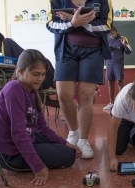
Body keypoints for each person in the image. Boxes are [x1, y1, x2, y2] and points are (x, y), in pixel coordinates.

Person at [0, 49, 81, 186]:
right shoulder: (14, 89)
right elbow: (18, 133)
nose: (41, 78)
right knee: (69, 157)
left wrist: (66, 143)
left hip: (30, 138)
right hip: (12, 153)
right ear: (21, 72)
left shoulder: (33, 91)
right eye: (36, 74)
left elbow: (42, 128)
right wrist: (38, 167)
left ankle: (49, 150)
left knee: (68, 150)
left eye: (43, 74)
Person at [46, 0, 113, 158]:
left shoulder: (104, 1)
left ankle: (83, 139)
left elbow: (107, 25)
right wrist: (72, 23)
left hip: (93, 51)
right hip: (66, 51)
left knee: (85, 95)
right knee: (63, 95)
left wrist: (82, 24)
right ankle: (74, 132)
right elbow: (50, 24)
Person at [0, 32, 59, 108]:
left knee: (46, 99)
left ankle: (71, 107)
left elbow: (10, 64)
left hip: (38, 66)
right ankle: (72, 107)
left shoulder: (6, 42)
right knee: (46, 99)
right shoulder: (6, 45)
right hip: (39, 66)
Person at [103, 26, 132, 110]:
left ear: (116, 31)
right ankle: (112, 103)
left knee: (120, 82)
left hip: (118, 64)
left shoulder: (122, 39)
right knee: (110, 83)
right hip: (109, 64)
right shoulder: (109, 41)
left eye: (112, 33)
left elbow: (129, 51)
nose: (111, 35)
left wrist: (125, 44)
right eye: (110, 34)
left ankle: (122, 103)